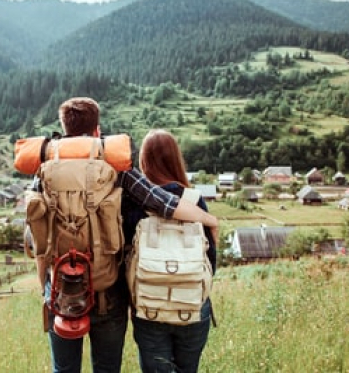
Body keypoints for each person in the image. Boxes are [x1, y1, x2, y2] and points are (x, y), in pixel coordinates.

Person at [31, 97, 218, 373]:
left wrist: (44, 285)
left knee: (64, 369)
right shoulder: (116, 168)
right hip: (108, 291)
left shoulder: (43, 173)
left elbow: (35, 236)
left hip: (61, 289)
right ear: (97, 130)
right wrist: (207, 219)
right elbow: (162, 202)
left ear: (64, 131)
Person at [123, 129, 218, 373]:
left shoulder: (134, 201)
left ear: (144, 161)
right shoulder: (194, 200)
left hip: (149, 305)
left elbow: (125, 256)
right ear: (177, 159)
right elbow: (210, 263)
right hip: (192, 305)